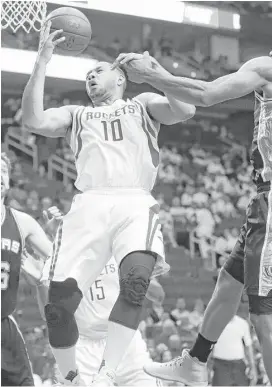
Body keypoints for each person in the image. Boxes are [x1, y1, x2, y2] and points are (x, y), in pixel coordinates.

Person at [113, 23, 272, 386]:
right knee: (229, 284)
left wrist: (156, 75)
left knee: (265, 315)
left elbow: (208, 93)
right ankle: (195, 361)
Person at [21, 22, 195, 386]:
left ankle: (108, 372)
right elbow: (34, 119)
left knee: (135, 284)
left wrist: (155, 75)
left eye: (98, 71)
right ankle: (71, 375)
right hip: (88, 204)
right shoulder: (76, 114)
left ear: (120, 79)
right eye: (87, 75)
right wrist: (42, 61)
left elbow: (186, 110)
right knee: (58, 308)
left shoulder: (142, 104)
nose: (91, 77)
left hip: (133, 200)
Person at [22, 231, 164, 386]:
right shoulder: (61, 260)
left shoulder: (121, 249)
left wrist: (140, 276)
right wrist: (39, 284)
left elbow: (159, 295)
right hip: (84, 346)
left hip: (125, 340)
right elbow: (47, 314)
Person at [1, 152, 60, 386]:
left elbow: (59, 260)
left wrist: (58, 234)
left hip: (4, 324)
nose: (0, 176)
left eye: (3, 171)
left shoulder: (21, 222)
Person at [211, 315, 257, 386]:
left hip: (239, 366)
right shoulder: (213, 322)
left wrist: (253, 368)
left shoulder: (242, 323)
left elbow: (248, 347)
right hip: (220, 366)